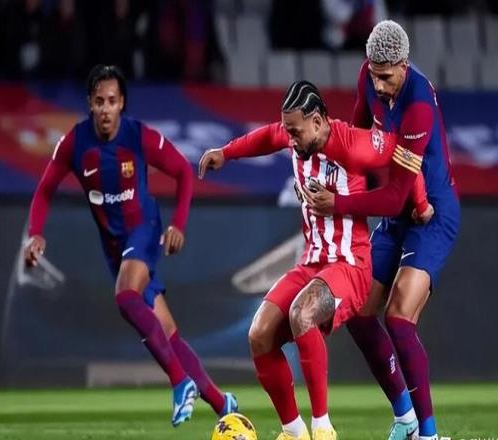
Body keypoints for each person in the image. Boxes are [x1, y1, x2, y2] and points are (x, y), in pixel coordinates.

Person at [198, 80, 429, 440]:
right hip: (312, 263)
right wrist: (225, 153)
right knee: (259, 334)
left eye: (295, 132)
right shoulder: (295, 134)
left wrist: (421, 203)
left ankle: (323, 429)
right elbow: (267, 137)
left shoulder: (353, 144)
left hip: (350, 265)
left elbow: (403, 154)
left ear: (318, 121)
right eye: (287, 131)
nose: (289, 140)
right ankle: (294, 432)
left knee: (302, 313)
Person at [23, 64, 238, 427]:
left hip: (144, 229)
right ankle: (223, 404)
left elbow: (183, 171)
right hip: (114, 246)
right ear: (90, 104)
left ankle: (180, 382)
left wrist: (178, 224)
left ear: (121, 102)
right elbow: (44, 190)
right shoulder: (74, 143)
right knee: (167, 332)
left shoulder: (139, 136)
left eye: (112, 101)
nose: (106, 108)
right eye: (99, 101)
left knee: (125, 297)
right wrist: (36, 233)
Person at [305, 21, 460, 440]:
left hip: (432, 216)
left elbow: (394, 196)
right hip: (398, 216)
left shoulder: (418, 106)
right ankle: (405, 418)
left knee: (398, 317)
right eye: (373, 74)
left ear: (404, 66)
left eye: (387, 77)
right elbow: (356, 143)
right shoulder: (369, 76)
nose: (379, 85)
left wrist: (338, 204)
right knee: (358, 312)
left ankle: (428, 435)